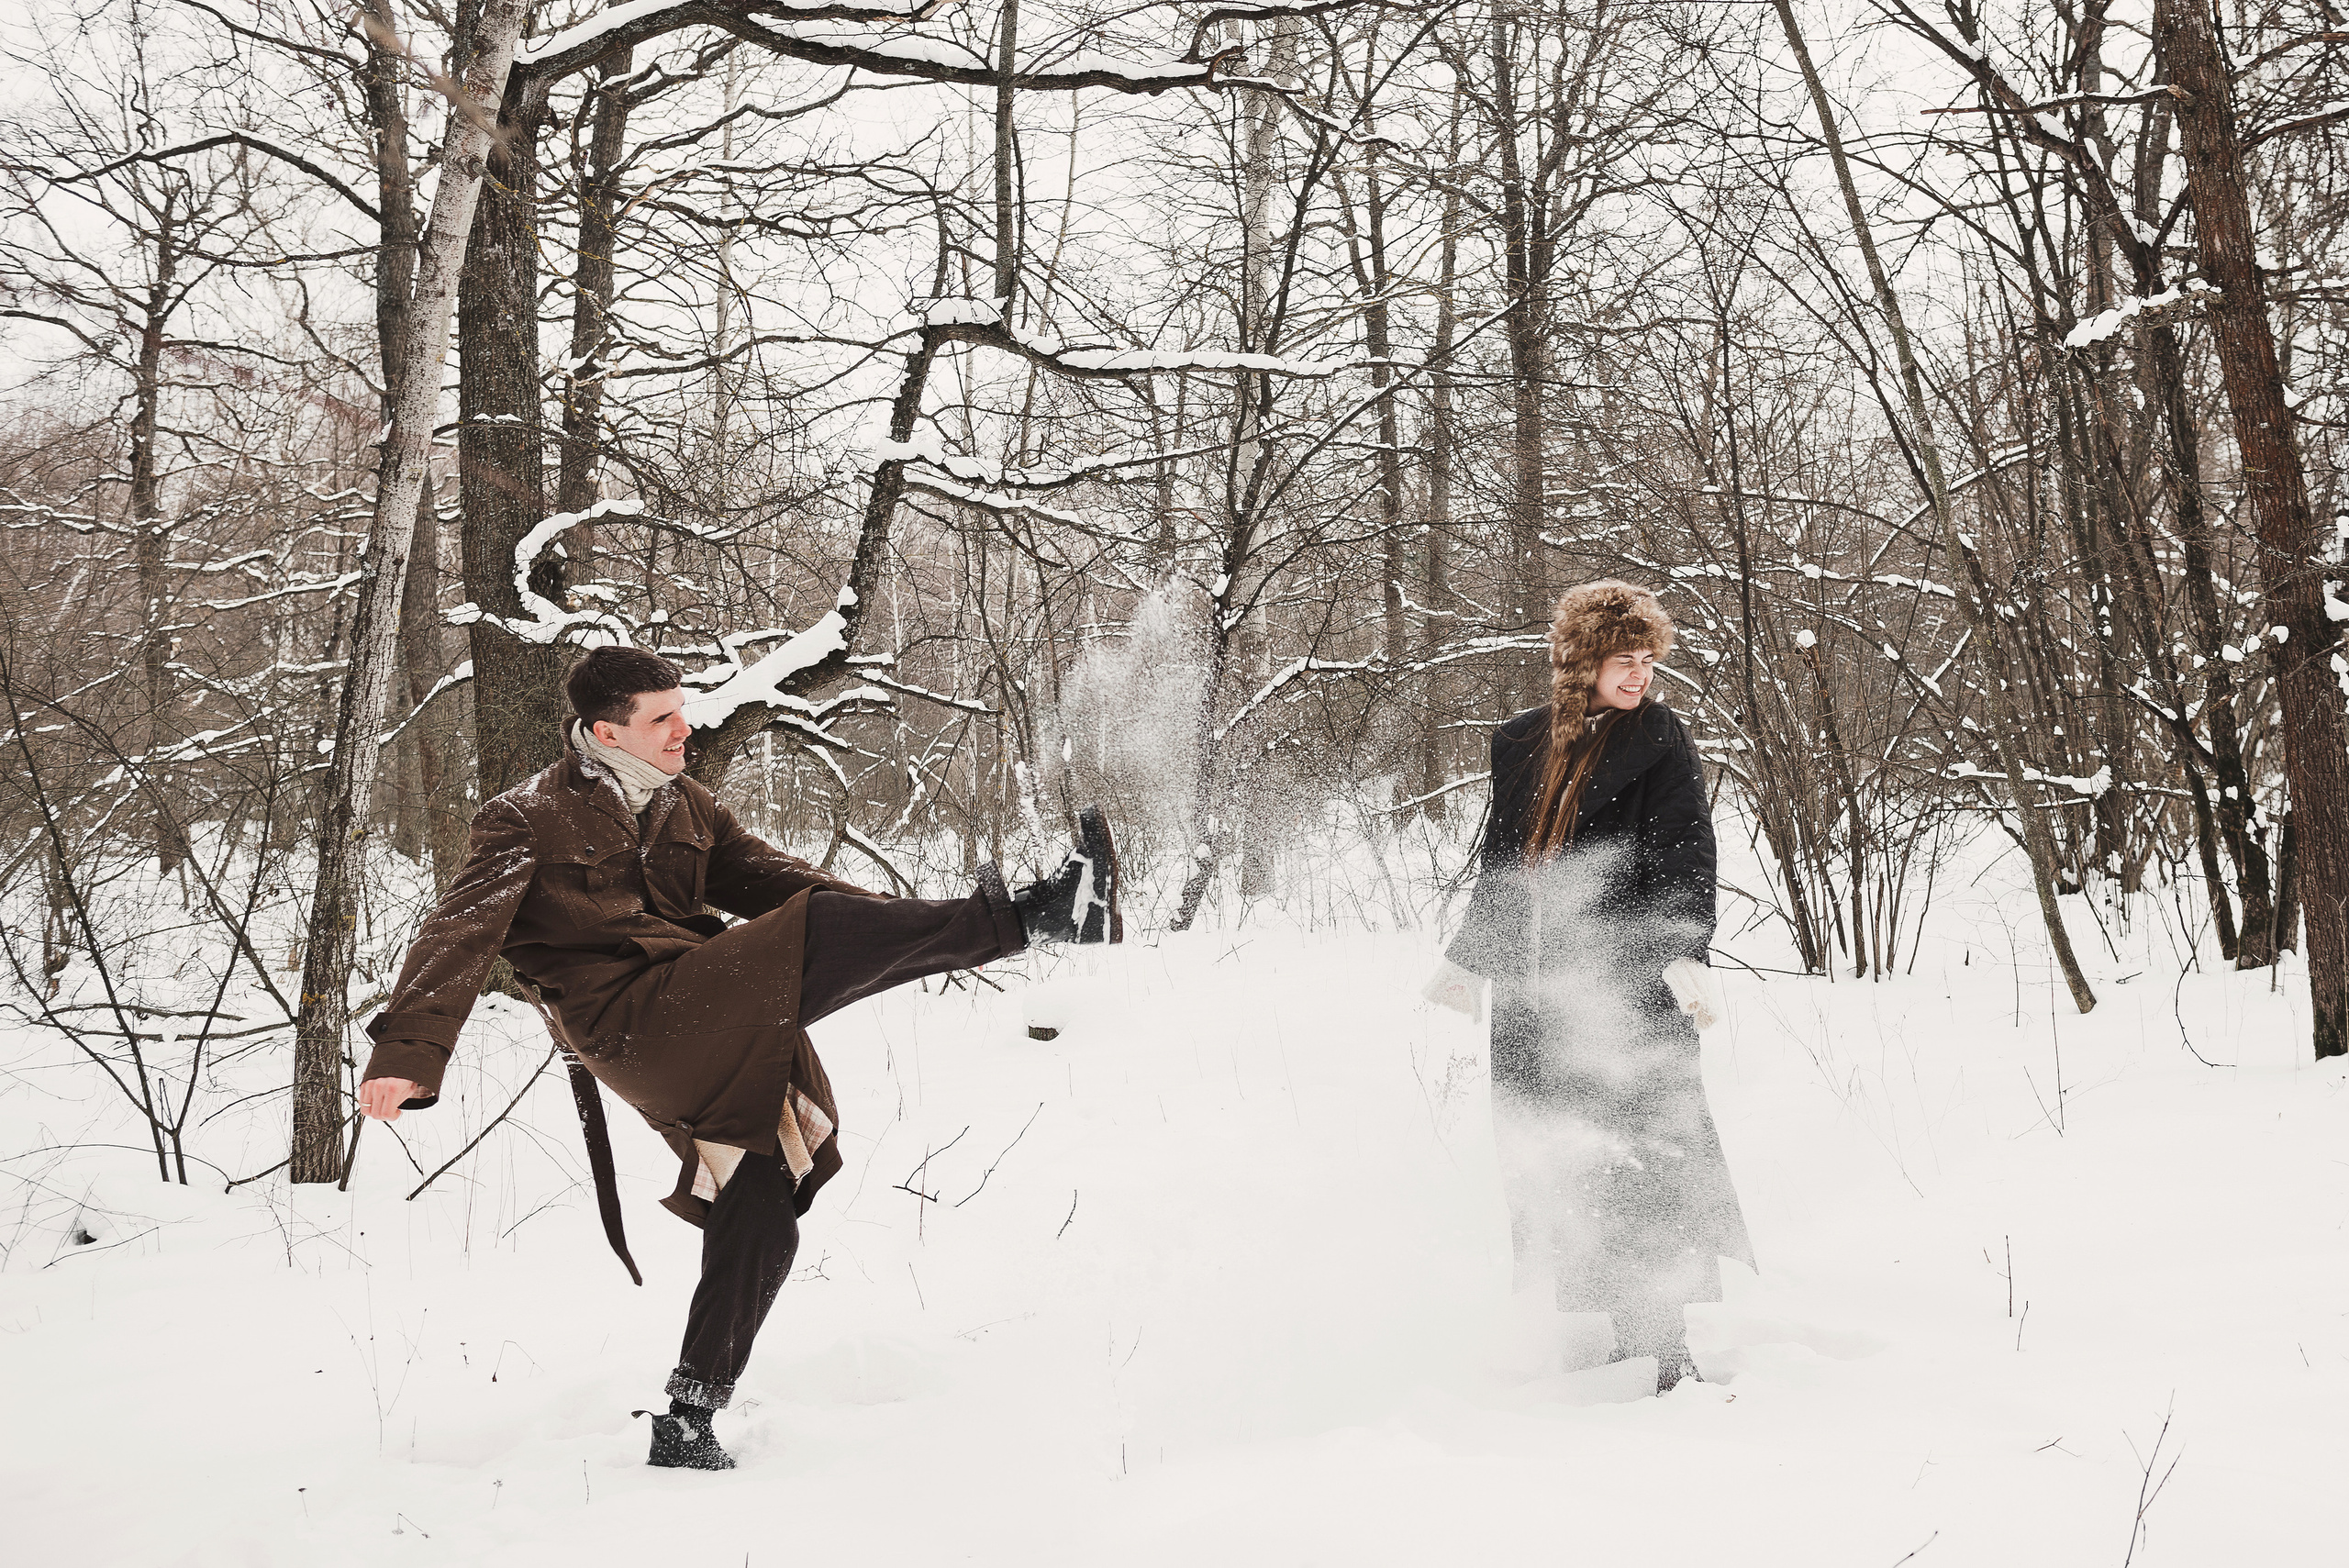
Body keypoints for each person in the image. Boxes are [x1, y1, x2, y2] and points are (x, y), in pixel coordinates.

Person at [357, 646, 1121, 1468]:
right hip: (628, 1023)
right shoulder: (526, 815)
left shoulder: (685, 803)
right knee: (816, 930)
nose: (684, 728)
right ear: (604, 730)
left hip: (705, 1007)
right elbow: (458, 931)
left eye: (681, 709)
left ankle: (689, 1418)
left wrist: (908, 937)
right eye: (662, 719)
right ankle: (1043, 916)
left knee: (760, 1211)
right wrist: (409, 1052)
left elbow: (785, 887)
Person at [1429, 580, 1751, 1393]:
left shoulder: (1660, 738)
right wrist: (1473, 955)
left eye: (1647, 660)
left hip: (1627, 991)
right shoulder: (1525, 743)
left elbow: (1685, 847)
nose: (1639, 675)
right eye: (1622, 660)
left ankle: (1665, 1340)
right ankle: (1611, 1330)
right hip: (1540, 999)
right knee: (1567, 1162)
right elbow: (1506, 864)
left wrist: (1683, 949)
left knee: (1649, 1156)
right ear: (1582, 662)